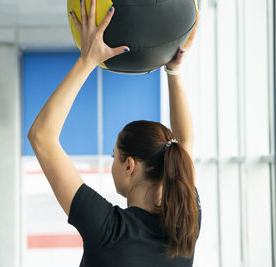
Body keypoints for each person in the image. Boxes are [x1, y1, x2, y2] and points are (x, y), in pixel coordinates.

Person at [27, 0, 201, 266]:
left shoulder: (110, 231)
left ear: (129, 165)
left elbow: (41, 137)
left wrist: (88, 60)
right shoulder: (184, 227)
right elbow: (184, 143)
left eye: (114, 157)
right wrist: (173, 70)